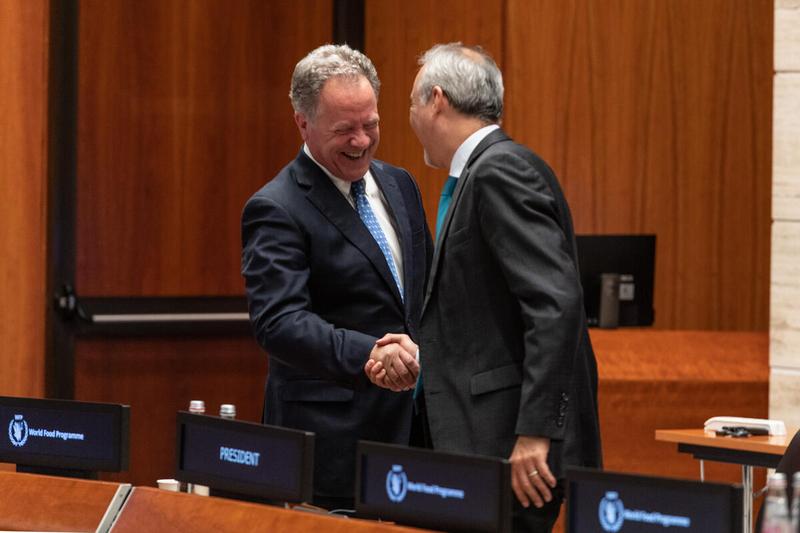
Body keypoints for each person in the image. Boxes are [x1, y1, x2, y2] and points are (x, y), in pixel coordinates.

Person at [366, 43, 602, 532]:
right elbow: (492, 315)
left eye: (410, 103)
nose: (408, 118)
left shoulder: (499, 172)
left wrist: (535, 433)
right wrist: (424, 348)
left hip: (511, 449)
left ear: (436, 100)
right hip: (488, 444)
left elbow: (555, 305)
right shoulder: (492, 169)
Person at [241, 44, 432, 510]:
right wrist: (373, 353)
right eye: (344, 129)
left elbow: (423, 296)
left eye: (371, 124)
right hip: (331, 446)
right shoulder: (276, 207)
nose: (361, 141)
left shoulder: (400, 184)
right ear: (302, 123)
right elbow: (279, 323)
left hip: (416, 437)